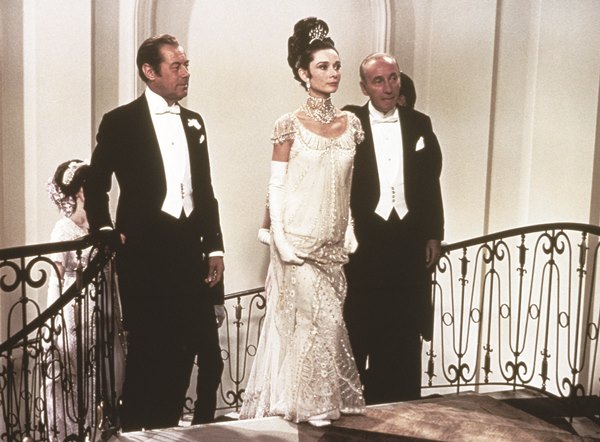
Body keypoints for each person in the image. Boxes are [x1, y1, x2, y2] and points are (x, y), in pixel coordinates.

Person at [84, 34, 225, 431]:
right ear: (149, 71)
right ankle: (139, 433)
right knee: (150, 357)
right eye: (176, 66)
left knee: (206, 356)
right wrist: (105, 230)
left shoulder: (194, 122)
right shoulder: (120, 121)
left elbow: (205, 190)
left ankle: (197, 433)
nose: (186, 73)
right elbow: (96, 184)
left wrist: (216, 247)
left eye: (186, 64)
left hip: (189, 253)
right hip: (145, 258)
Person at [240, 17, 365, 427]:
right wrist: (279, 237)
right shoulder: (288, 124)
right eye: (323, 66)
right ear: (303, 73)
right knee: (319, 321)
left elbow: (346, 184)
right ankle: (316, 405)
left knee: (324, 325)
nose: (333, 73)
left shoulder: (352, 125)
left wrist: (349, 228)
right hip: (297, 240)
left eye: (337, 65)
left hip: (333, 244)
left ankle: (303, 400)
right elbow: (276, 185)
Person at [343, 53, 444, 405]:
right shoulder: (349, 123)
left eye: (394, 78)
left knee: (402, 337)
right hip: (364, 244)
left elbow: (430, 183)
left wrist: (434, 233)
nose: (388, 88)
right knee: (359, 331)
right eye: (378, 81)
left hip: (408, 244)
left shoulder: (419, 124)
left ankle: (401, 414)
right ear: (364, 88)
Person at [45, 159, 126, 439]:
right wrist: (55, 320)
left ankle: (100, 428)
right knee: (75, 375)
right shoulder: (63, 228)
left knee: (102, 373)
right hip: (74, 310)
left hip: (102, 310)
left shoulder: (100, 226)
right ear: (81, 191)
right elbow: (55, 276)